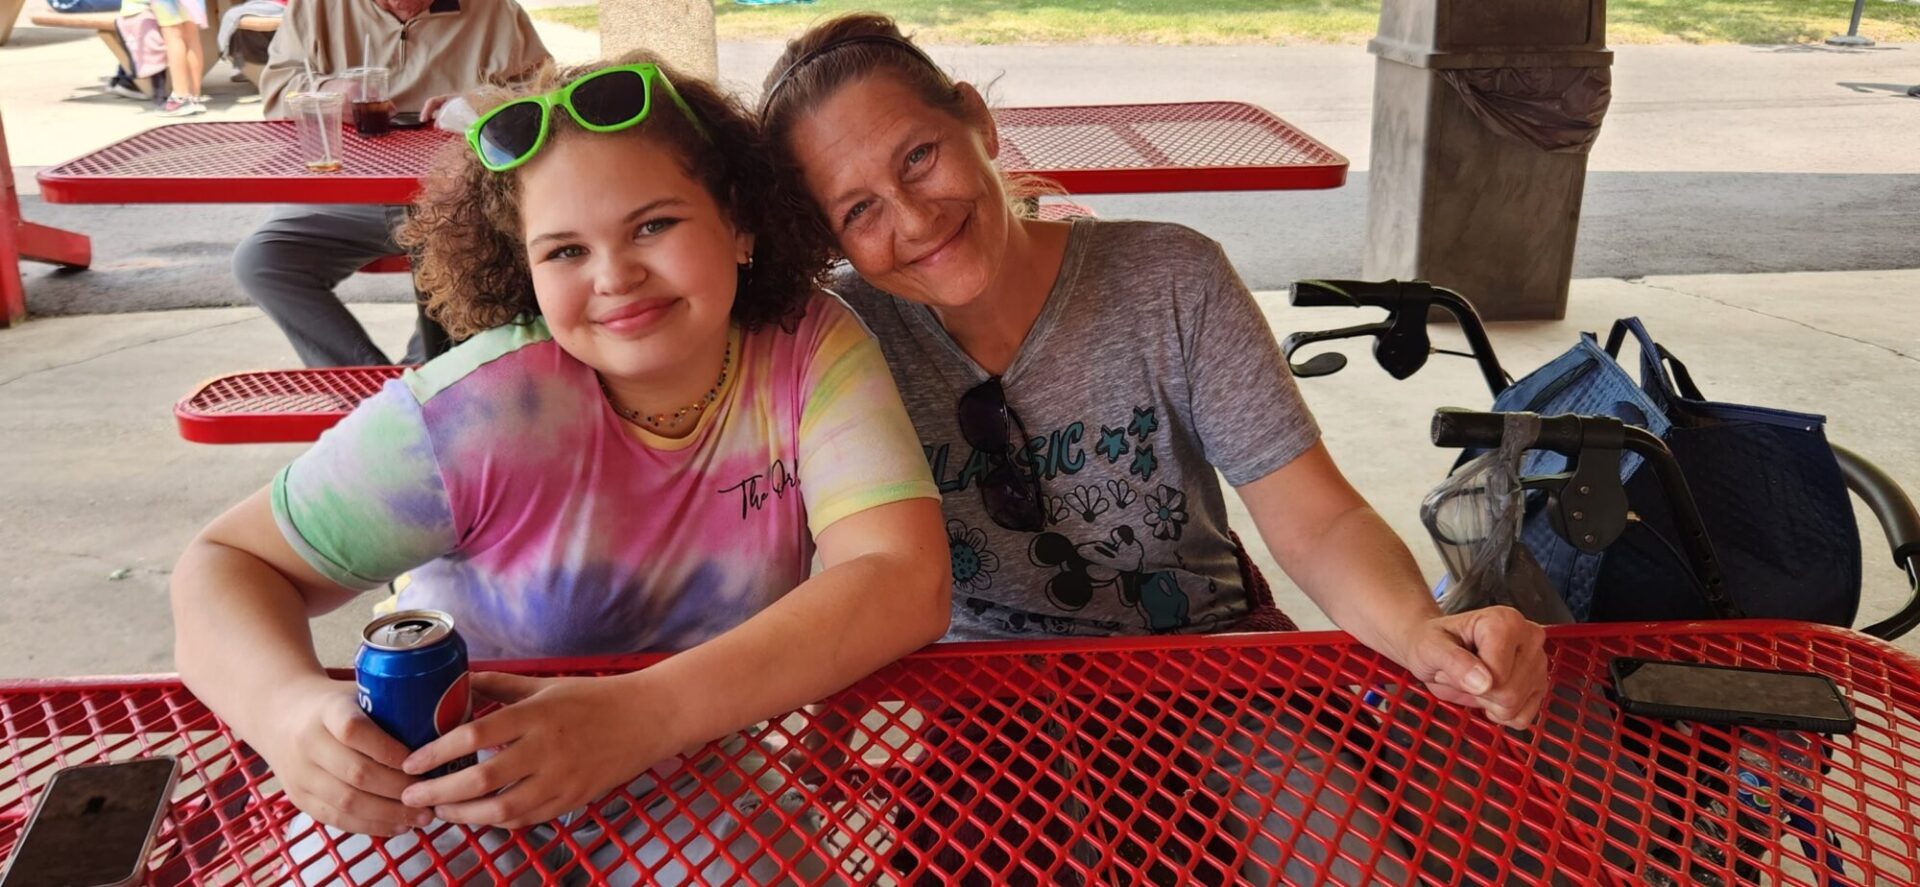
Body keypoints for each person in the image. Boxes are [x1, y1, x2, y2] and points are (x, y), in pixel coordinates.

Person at [759, 14, 1552, 884]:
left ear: (978, 124)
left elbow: (1317, 521)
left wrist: (1418, 630)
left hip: (1212, 661)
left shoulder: (1169, 278)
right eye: (858, 209)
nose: (914, 218)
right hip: (982, 696)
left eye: (918, 156)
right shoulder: (842, 339)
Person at [172, 55, 948, 883]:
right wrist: (284, 710)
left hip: (695, 760)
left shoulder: (807, 349)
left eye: (654, 225)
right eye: (566, 250)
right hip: (443, 771)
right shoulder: (479, 411)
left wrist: (640, 716)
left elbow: (902, 576)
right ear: (524, 271)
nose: (614, 277)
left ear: (739, 222)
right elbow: (226, 564)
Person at [234, 0, 550, 367]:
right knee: (262, 261)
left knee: (484, 264)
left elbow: (540, 92)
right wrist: (332, 93)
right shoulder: (317, 8)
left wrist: (478, 102)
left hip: (458, 198)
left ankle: (421, 383)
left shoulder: (493, 11)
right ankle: (370, 389)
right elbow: (277, 91)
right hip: (346, 193)